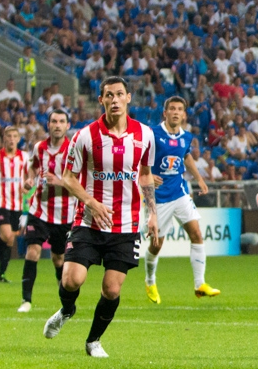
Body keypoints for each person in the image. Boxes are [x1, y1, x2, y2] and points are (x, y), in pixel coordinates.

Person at [42, 77, 158, 358]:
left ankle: (93, 341)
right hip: (88, 221)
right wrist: (91, 202)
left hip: (126, 225)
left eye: (120, 94)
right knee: (71, 280)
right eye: (109, 95)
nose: (115, 100)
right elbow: (68, 178)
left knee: (111, 288)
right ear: (102, 100)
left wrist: (152, 213)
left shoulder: (145, 135)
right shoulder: (85, 136)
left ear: (129, 98)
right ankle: (67, 309)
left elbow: (144, 174)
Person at [143, 96, 219, 305]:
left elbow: (186, 157)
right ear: (165, 113)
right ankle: (150, 281)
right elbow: (138, 160)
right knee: (156, 245)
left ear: (184, 114)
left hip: (180, 193)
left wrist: (200, 178)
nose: (176, 112)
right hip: (158, 199)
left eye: (179, 109)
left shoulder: (186, 137)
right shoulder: (152, 134)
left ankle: (199, 284)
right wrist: (148, 176)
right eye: (172, 109)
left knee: (196, 233)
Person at [18, 109, 75, 313]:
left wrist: (60, 182)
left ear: (67, 125)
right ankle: (26, 300)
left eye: (62, 121)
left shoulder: (74, 150)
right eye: (54, 121)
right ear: (48, 125)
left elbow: (82, 182)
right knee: (32, 250)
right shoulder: (39, 147)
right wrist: (29, 179)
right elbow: (33, 168)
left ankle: (65, 301)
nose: (57, 125)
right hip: (39, 209)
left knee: (58, 258)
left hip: (65, 214)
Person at [0, 127, 32, 283]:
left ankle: (1, 274)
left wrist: (27, 185)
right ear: (4, 138)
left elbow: (29, 177)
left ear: (18, 139)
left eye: (14, 136)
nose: (11, 139)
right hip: (1, 202)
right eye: (8, 136)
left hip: (17, 204)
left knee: (10, 240)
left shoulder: (24, 156)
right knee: (6, 235)